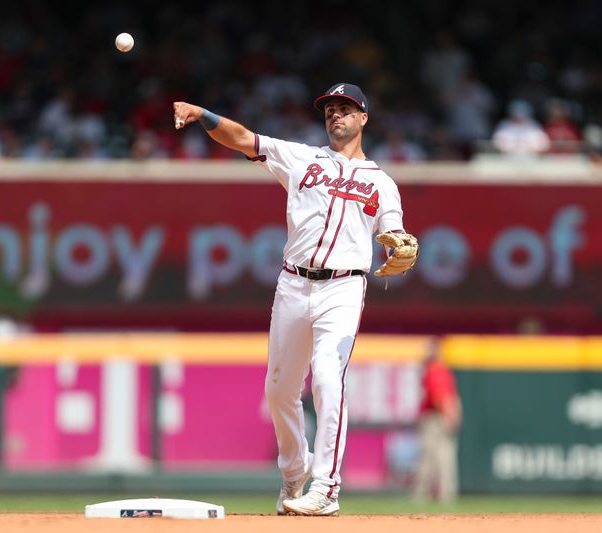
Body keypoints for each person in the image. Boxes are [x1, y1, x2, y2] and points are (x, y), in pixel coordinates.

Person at [173, 83, 415, 516]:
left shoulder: (382, 182)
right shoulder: (302, 158)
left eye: (345, 109)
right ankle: (294, 472)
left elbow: (392, 229)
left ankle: (326, 487)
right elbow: (245, 139)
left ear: (363, 118)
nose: (335, 115)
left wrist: (397, 244)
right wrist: (201, 113)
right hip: (293, 283)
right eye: (330, 109)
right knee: (279, 389)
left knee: (326, 376)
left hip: (343, 286)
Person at [412, 338, 462, 503]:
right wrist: (453, 414)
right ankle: (446, 495)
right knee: (444, 456)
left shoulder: (435, 370)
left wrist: (449, 414)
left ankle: (423, 494)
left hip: (435, 417)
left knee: (431, 457)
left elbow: (440, 396)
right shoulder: (442, 370)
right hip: (442, 415)